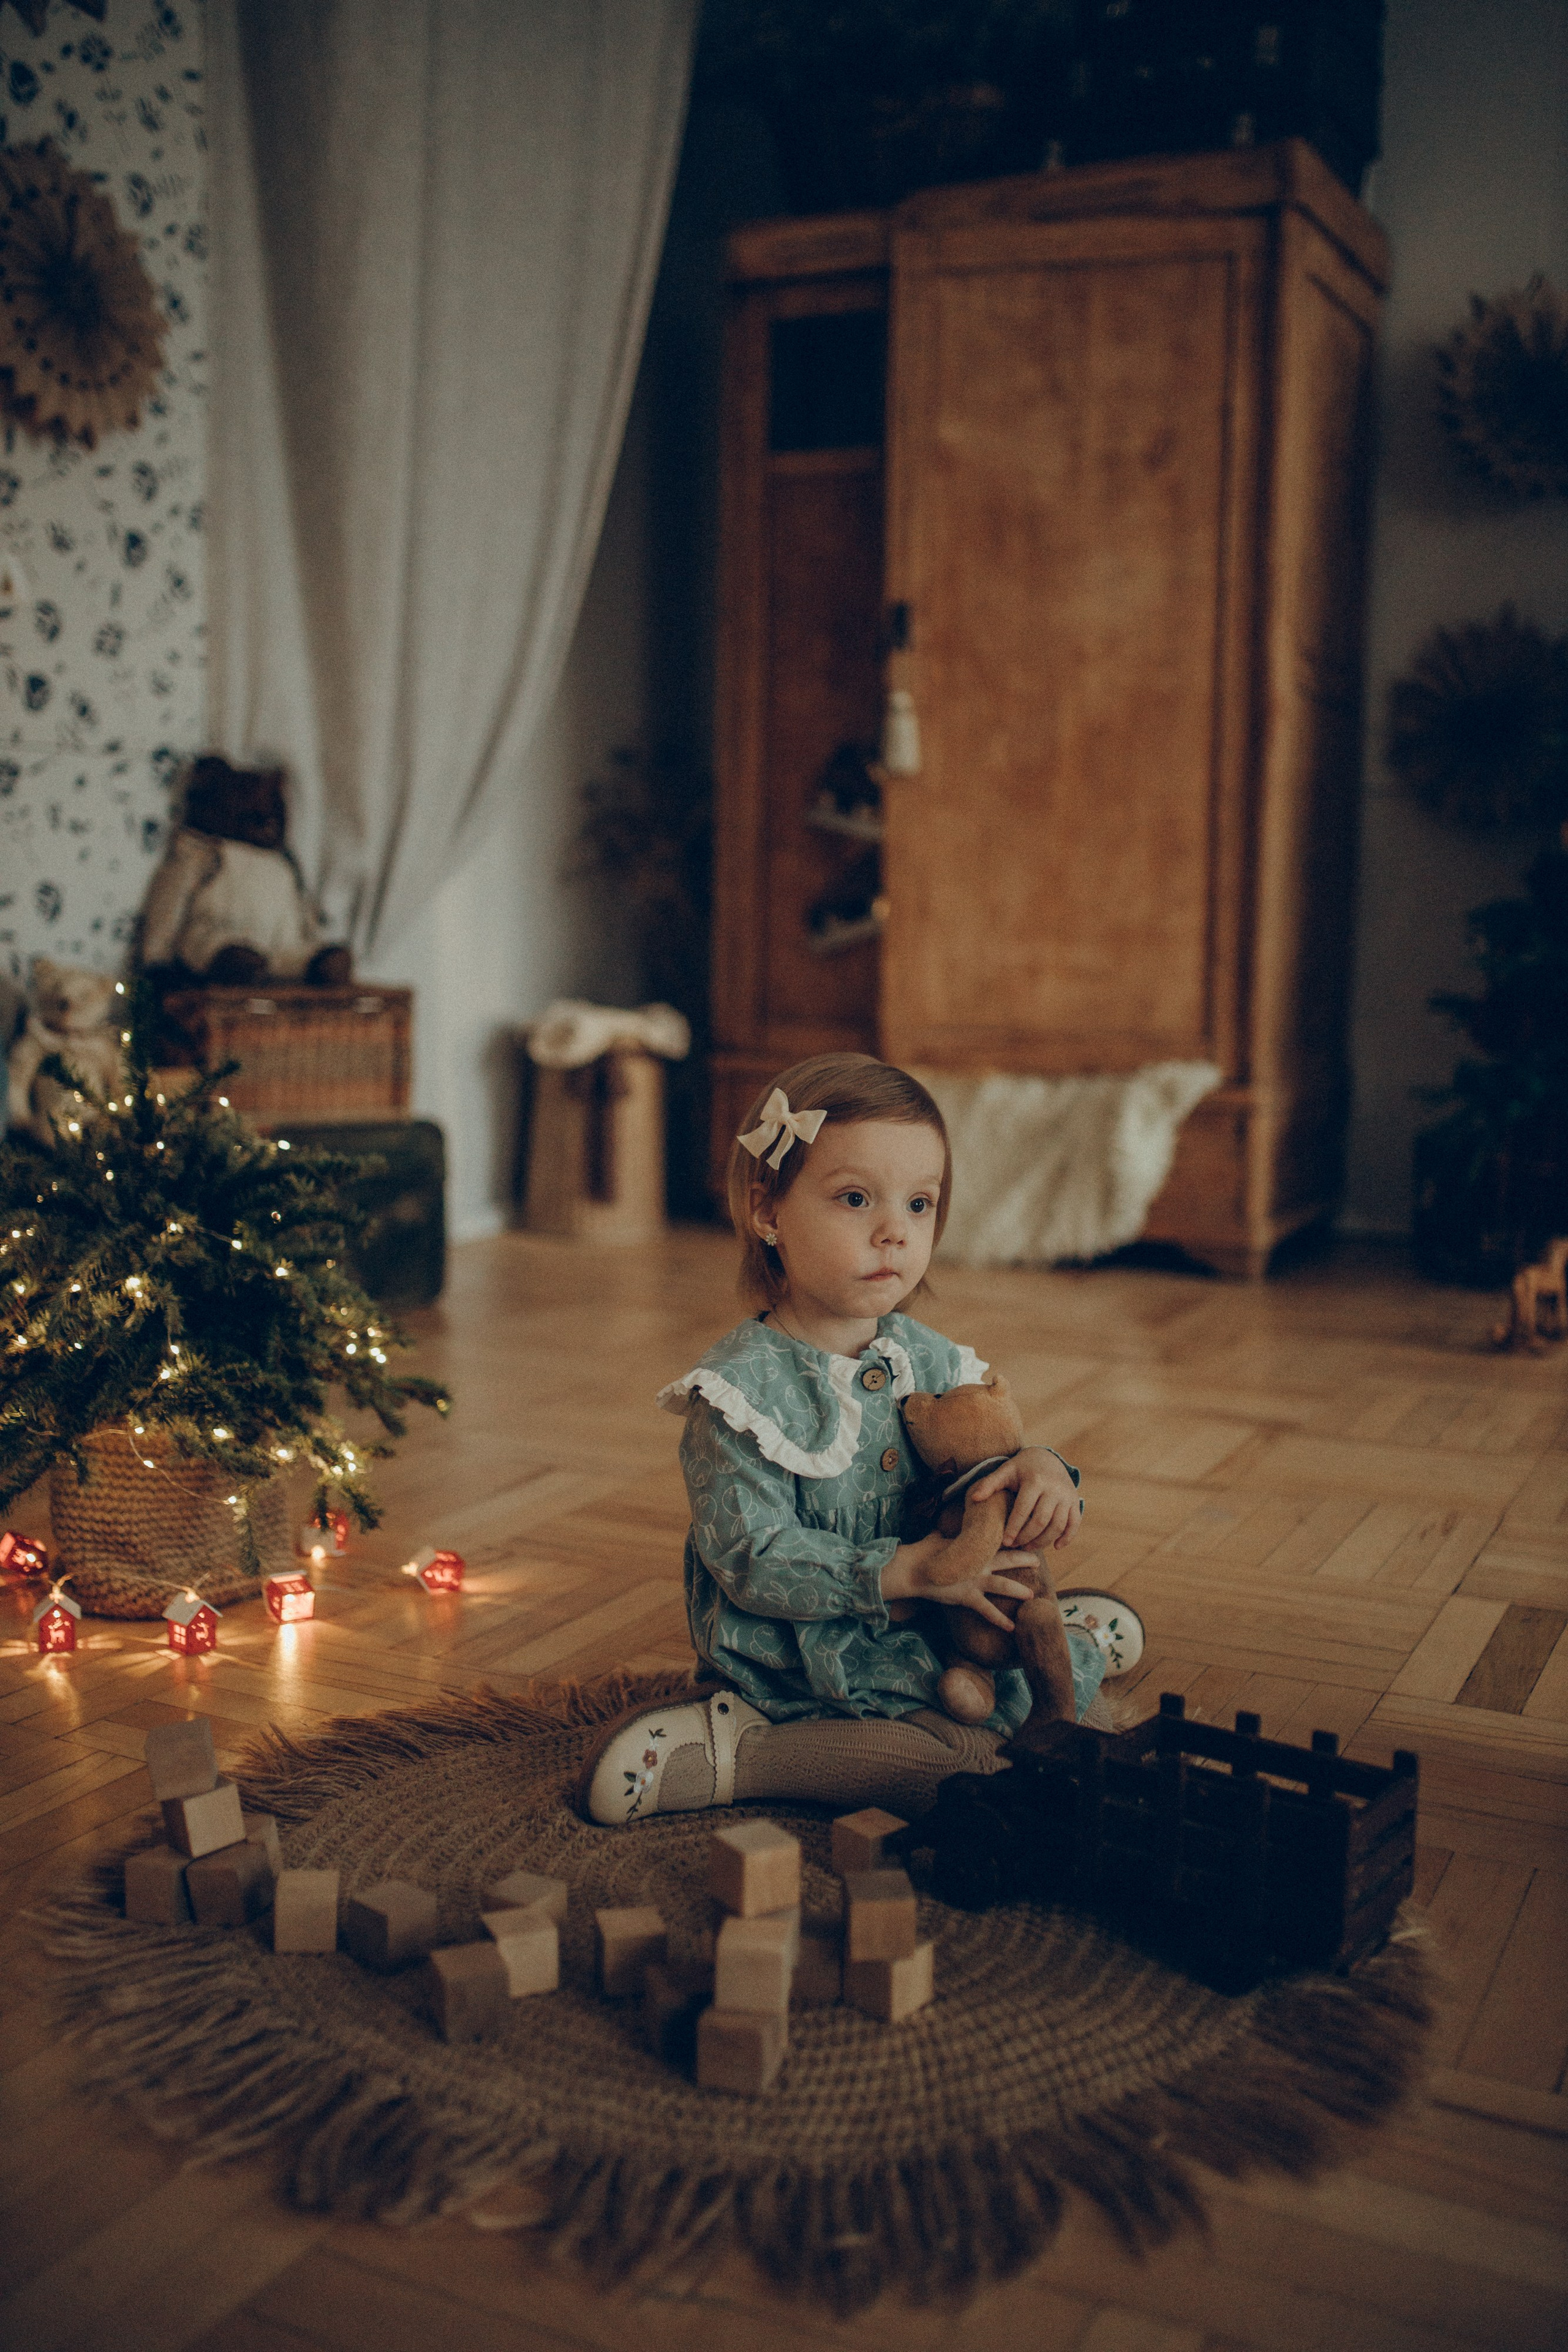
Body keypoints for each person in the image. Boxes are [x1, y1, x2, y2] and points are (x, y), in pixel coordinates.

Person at [579, 1053, 1114, 1826]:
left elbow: (982, 1454)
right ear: (768, 1213)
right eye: (856, 1199)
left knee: (1020, 1702)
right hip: (804, 1654)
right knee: (951, 1770)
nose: (894, 1232)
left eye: (921, 1204)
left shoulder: (923, 1357)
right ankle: (732, 1753)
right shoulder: (739, 1395)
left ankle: (1061, 1645)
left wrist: (1042, 1471)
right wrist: (907, 1570)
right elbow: (751, 1561)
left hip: (933, 1628)